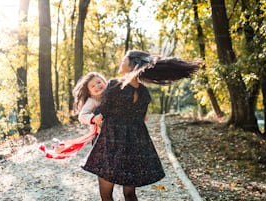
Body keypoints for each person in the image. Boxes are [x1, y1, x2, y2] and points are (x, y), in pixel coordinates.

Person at [82, 50, 200, 201]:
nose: (120, 62)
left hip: (111, 143)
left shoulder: (113, 85)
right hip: (134, 146)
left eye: (123, 60)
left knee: (106, 196)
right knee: (130, 194)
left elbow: (101, 112)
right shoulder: (145, 92)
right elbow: (141, 117)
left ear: (131, 65)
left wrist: (92, 113)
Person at [39, 72, 107, 159]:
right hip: (99, 134)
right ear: (90, 92)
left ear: (105, 82)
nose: (97, 86)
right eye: (93, 86)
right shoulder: (92, 101)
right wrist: (93, 118)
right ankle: (59, 149)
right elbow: (82, 116)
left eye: (99, 82)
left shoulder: (111, 94)